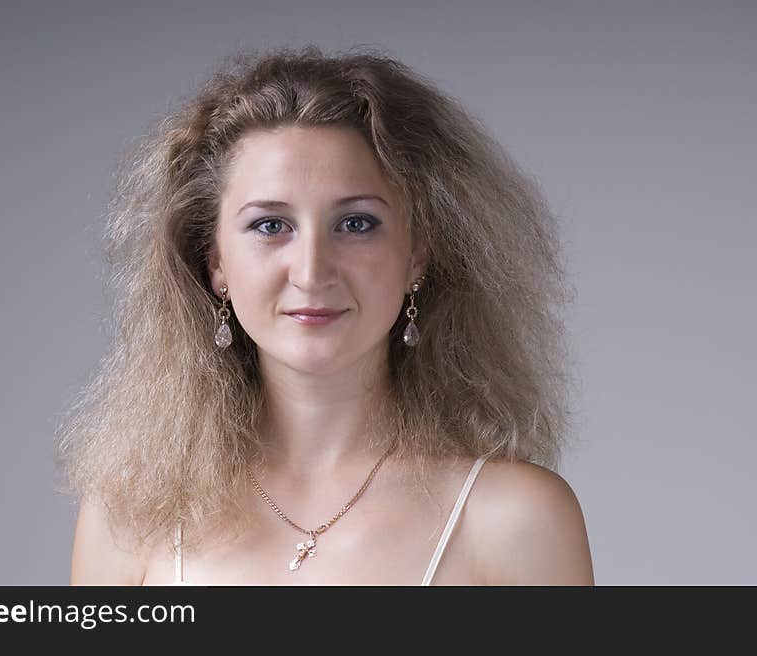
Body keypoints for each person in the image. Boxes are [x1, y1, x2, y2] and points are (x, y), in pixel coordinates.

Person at [56, 44, 594, 586]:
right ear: (216, 263)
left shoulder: (515, 519)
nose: (312, 272)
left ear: (417, 256)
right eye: (270, 226)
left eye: (356, 224)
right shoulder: (131, 518)